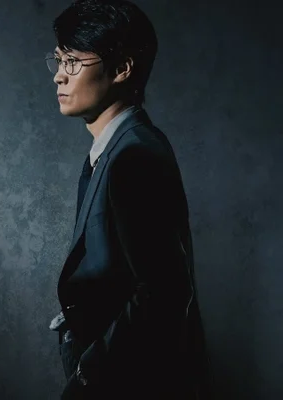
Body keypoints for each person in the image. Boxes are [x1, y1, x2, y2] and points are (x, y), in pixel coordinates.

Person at [45, 1, 211, 398]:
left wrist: (89, 371)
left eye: (73, 62)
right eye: (58, 61)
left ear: (122, 68)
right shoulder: (113, 150)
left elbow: (165, 292)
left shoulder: (134, 156)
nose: (59, 76)